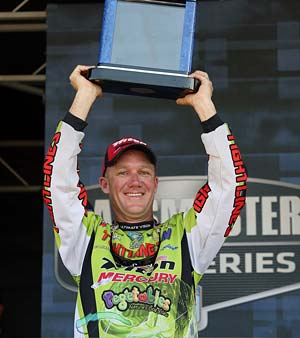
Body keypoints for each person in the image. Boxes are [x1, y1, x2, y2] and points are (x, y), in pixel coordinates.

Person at [43, 65, 247, 338]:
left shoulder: (186, 238)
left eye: (144, 172)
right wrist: (84, 98)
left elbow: (230, 187)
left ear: (155, 183)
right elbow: (58, 183)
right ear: (104, 183)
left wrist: (205, 107)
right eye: (123, 173)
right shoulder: (86, 239)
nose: (135, 181)